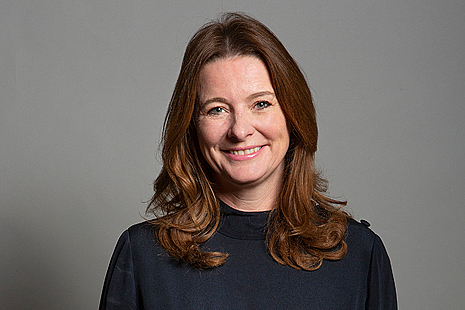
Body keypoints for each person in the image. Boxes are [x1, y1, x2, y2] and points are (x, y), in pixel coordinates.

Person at [100, 12, 397, 309]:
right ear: (192, 126)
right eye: (217, 109)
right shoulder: (141, 256)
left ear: (293, 116)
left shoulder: (360, 254)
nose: (240, 130)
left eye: (261, 104)